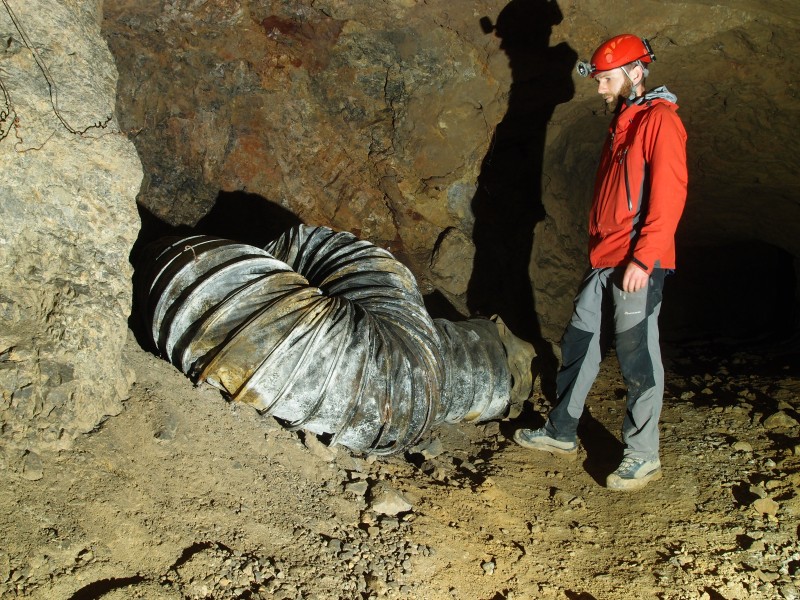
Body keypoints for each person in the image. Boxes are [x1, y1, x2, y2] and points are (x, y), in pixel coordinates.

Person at [514, 34, 688, 491]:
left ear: (634, 73)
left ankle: (643, 454)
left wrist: (645, 258)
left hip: (636, 260)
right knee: (578, 344)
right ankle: (561, 432)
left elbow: (668, 196)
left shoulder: (660, 121)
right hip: (604, 259)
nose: (600, 88)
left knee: (637, 355)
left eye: (606, 78)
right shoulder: (622, 125)